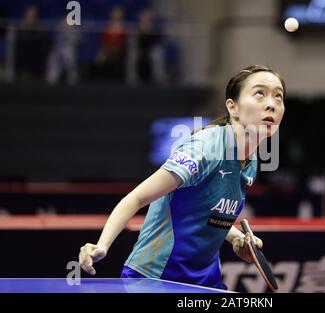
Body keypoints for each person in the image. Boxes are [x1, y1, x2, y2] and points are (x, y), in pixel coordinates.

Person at [78, 65, 286, 290]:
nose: (271, 104)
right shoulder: (205, 148)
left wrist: (236, 238)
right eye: (259, 93)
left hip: (205, 282)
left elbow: (206, 213)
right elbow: (136, 198)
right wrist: (102, 245)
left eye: (278, 96)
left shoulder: (251, 161)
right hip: (156, 278)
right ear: (232, 107)